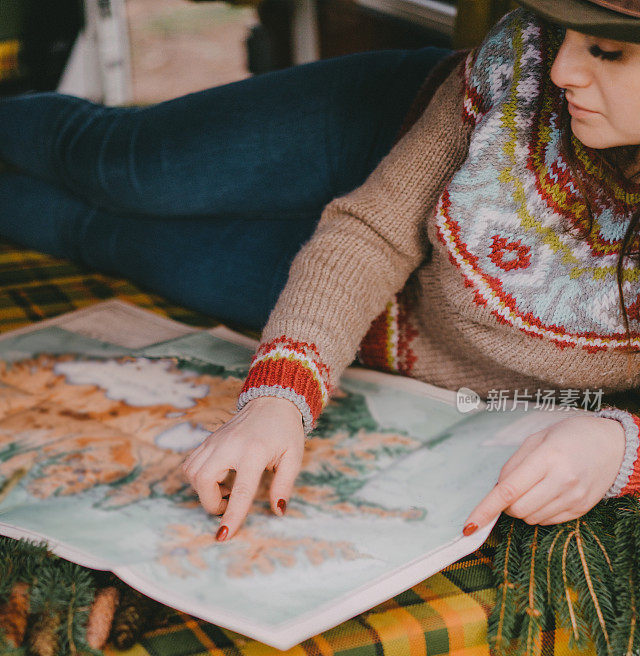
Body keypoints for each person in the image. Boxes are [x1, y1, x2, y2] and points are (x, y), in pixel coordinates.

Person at [1, 0, 640, 542]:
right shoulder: (526, 63)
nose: (560, 68)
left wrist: (621, 448)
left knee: (105, 239)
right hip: (378, 131)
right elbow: (375, 229)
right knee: (117, 165)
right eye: (566, 33)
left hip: (389, 324)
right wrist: (278, 397)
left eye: (607, 51)